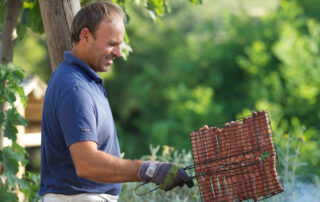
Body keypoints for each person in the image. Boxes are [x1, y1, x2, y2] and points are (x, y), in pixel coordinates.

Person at [39, 1, 194, 201]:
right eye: (111, 44)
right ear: (85, 36)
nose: (119, 53)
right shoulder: (75, 88)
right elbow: (87, 163)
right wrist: (149, 169)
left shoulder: (85, 80)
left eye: (120, 44)